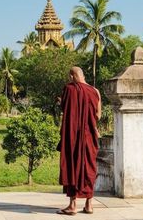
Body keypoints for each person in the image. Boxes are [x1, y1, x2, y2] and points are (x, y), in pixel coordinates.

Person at [57, 66, 101, 215]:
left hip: (73, 136)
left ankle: (73, 205)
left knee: (72, 166)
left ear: (72, 76)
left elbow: (64, 108)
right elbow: (98, 115)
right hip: (89, 136)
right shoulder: (95, 91)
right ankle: (89, 205)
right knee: (89, 167)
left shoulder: (69, 89)